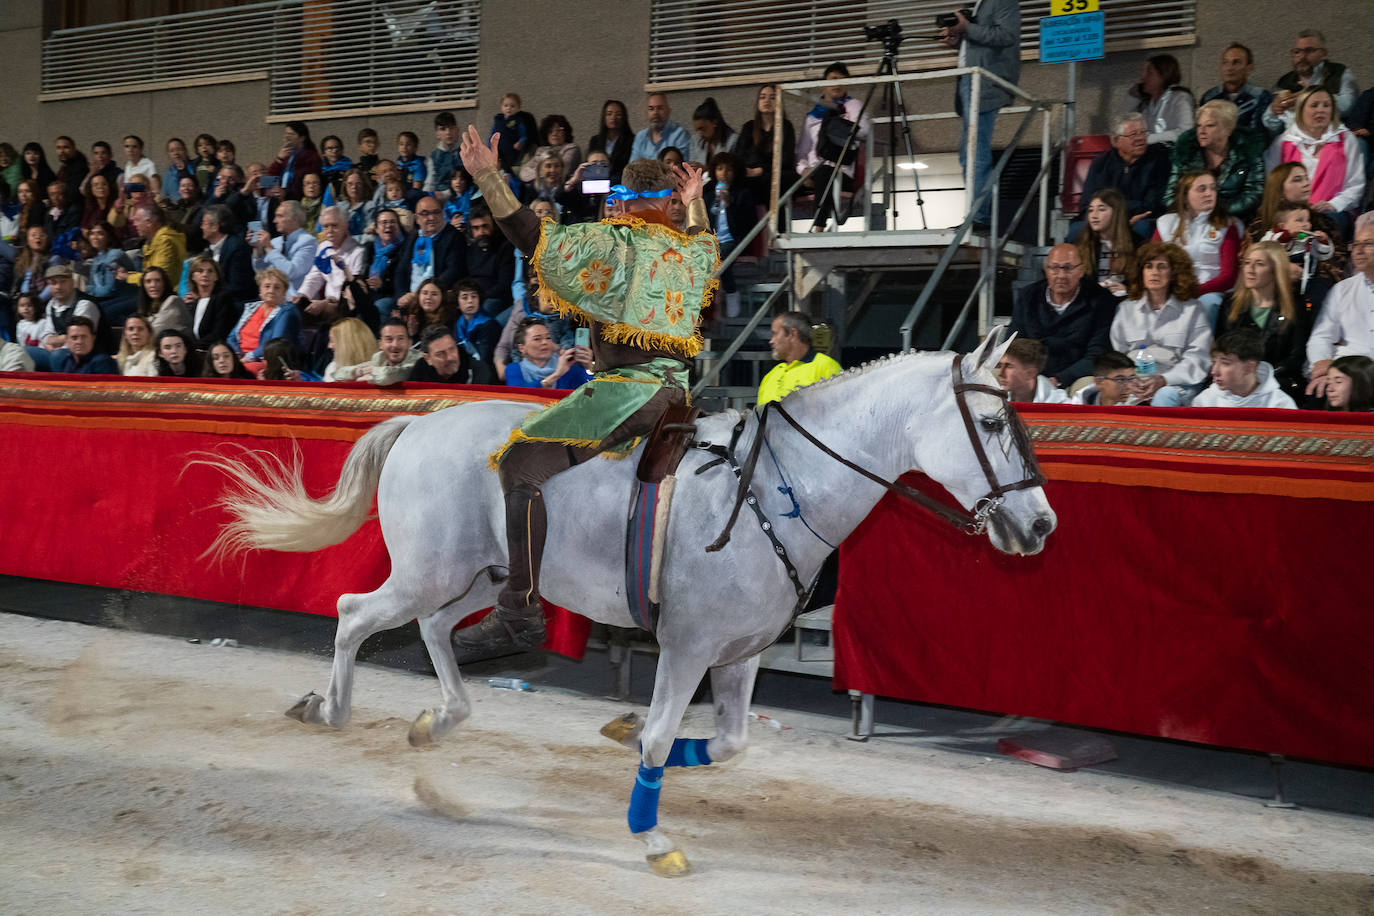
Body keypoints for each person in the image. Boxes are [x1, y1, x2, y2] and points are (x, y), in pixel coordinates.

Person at [451, 123, 717, 653]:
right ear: (667, 202)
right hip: (679, 392)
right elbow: (706, 247)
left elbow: (530, 233)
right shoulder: (688, 249)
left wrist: (487, 174)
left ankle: (518, 609)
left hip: (633, 392)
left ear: (621, 201)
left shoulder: (611, 242)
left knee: (519, 464)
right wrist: (694, 202)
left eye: (616, 201)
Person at [939, 0, 1021, 228]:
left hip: (984, 81)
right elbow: (981, 45)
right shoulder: (979, 4)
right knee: (969, 152)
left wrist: (967, 28)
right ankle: (977, 215)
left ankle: (979, 216)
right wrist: (958, 41)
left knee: (975, 151)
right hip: (971, 79)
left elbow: (1006, 36)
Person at [1110, 241, 1213, 406]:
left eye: (1162, 267)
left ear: (1173, 273)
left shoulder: (1193, 310)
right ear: (1141, 272)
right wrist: (1130, 381)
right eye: (1148, 266)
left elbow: (1198, 359)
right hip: (1135, 383)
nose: (1154, 272)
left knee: (1164, 396)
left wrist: (1164, 380)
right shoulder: (1125, 309)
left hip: (1177, 384)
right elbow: (1118, 356)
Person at [1009, 242, 1117, 386]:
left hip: (1075, 378)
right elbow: (1014, 344)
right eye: (1054, 268)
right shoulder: (1028, 296)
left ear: (1081, 270)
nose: (1061, 275)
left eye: (1068, 268)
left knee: (1087, 384)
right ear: (1046, 269)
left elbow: (1097, 355)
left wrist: (1059, 379)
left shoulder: (1101, 300)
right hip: (1031, 376)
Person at [1215, 241, 1310, 401]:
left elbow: (1296, 357)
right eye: (1247, 263)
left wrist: (1259, 377)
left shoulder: (1295, 305)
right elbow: (1220, 348)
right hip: (1234, 380)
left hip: (1278, 382)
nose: (1250, 270)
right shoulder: (1230, 303)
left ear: (1275, 271)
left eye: (1259, 264)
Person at [1264, 87, 1366, 236]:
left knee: (1324, 224)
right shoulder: (1284, 142)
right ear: (1301, 109)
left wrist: (1333, 204)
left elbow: (1356, 185)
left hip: (1333, 211)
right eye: (1314, 105)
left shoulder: (1346, 140)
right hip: (1290, 212)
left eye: (1326, 105)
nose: (1321, 110)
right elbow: (1273, 183)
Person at [1155, 171, 1243, 324]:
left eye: (1213, 188)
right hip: (1171, 287)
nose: (1209, 193)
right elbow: (1150, 261)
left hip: (1209, 291)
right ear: (1185, 195)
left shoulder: (1227, 225)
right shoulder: (1165, 223)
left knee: (1207, 304)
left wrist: (1195, 291)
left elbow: (1228, 277)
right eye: (1201, 189)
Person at [796, 62, 871, 232]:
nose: (837, 83)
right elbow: (802, 151)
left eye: (842, 80)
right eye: (833, 79)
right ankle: (778, 232)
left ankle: (818, 227)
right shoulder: (812, 117)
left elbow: (864, 131)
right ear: (824, 84)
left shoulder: (852, 106)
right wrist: (803, 171)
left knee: (825, 173)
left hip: (841, 172)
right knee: (783, 180)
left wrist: (839, 125)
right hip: (813, 173)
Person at [1306, 217, 1374, 398]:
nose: (1358, 251)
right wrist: (1322, 362)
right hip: (1348, 375)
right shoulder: (1342, 290)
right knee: (1319, 390)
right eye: (1355, 244)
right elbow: (1321, 337)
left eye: (1367, 243)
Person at [1164, 100, 1265, 220]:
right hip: (1191, 218)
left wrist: (1217, 212)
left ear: (1228, 130)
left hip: (1234, 219)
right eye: (1199, 126)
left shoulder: (1248, 152)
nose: (1201, 131)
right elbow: (1170, 196)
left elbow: (1254, 194)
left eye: (1209, 125)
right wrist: (1194, 211)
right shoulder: (1185, 152)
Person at [1077, 114, 1171, 238]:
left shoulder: (1158, 160)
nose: (1140, 138)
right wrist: (1116, 218)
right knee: (1076, 230)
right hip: (1106, 220)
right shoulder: (1101, 164)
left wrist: (1113, 210)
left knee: (1142, 227)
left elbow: (1152, 205)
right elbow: (1087, 202)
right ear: (1116, 140)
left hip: (1141, 219)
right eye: (1133, 134)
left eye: (1143, 133)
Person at [1264, 29, 1360, 130]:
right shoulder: (1285, 82)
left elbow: (1348, 107)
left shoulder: (1339, 72)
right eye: (1297, 52)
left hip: (1334, 135)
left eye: (1309, 51)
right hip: (1296, 139)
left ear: (1324, 53)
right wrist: (1273, 110)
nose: (1302, 56)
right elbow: (1271, 126)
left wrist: (1307, 98)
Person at [394, 196, 465, 315]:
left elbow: (453, 271)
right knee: (384, 306)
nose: (431, 217)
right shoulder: (413, 238)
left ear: (442, 213)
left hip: (437, 297)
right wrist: (401, 296)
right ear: (416, 218)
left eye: (436, 212)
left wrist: (422, 294)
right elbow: (401, 271)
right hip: (411, 297)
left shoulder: (454, 236)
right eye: (425, 213)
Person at [1193, 329, 1297, 408]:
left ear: (1249, 367)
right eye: (1214, 362)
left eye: (1225, 363)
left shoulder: (1280, 405)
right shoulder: (1204, 402)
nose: (1214, 371)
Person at [228, 267, 302, 375]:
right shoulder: (251, 308)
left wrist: (247, 358)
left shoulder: (287, 311)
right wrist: (236, 354)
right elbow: (232, 337)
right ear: (260, 290)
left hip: (267, 361)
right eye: (267, 286)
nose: (271, 290)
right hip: (242, 358)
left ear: (284, 292)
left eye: (277, 287)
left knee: (240, 371)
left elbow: (275, 345)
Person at [758, 311, 842, 405]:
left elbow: (837, 410)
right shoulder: (771, 375)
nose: (771, 341)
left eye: (775, 334)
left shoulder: (825, 366)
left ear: (792, 334)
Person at [735, 84, 797, 205]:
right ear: (758, 102)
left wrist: (761, 170)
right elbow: (739, 155)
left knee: (771, 183)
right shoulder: (749, 127)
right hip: (751, 174)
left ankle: (775, 223)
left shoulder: (786, 127)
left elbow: (786, 159)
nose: (767, 101)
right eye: (762, 97)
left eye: (772, 97)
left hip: (778, 175)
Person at [1199, 43, 1274, 137]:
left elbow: (1261, 135)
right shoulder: (1210, 97)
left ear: (1249, 67)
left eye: (1236, 62)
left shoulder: (1261, 97)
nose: (1229, 68)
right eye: (1225, 62)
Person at [250, 200, 318, 298]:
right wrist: (258, 248)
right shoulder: (275, 242)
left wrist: (269, 248)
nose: (274, 221)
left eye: (280, 216)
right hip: (273, 299)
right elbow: (261, 271)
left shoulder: (309, 242)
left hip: (296, 302)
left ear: (294, 219)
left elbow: (291, 272)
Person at [1075, 188, 1136, 297]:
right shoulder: (1083, 244)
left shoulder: (1136, 244)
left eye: (1101, 209)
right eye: (1091, 210)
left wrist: (1127, 290)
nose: (1094, 215)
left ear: (1116, 213)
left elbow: (1142, 284)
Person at [503, 317, 593, 389]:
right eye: (537, 339)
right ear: (522, 348)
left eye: (548, 338)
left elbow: (590, 394)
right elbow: (517, 395)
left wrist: (589, 368)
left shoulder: (570, 369)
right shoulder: (514, 369)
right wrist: (557, 375)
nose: (545, 342)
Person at [1127, 54, 1195, 146]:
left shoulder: (1180, 98)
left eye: (1149, 73)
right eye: (1143, 73)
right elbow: (1129, 122)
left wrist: (1149, 139)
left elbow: (1186, 132)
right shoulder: (1149, 103)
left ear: (1163, 75)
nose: (1143, 78)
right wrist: (1133, 97)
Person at [122, 202, 187, 292]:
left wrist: (128, 277)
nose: (134, 224)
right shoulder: (149, 243)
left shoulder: (165, 242)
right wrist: (127, 275)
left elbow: (158, 277)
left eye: (137, 220)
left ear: (149, 222)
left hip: (167, 293)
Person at [331, 318, 419, 384]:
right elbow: (338, 374)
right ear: (380, 344)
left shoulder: (419, 360)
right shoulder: (379, 357)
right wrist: (358, 371)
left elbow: (391, 377)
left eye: (400, 339)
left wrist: (371, 372)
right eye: (389, 339)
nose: (395, 345)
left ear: (409, 343)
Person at [200, 204, 256, 304]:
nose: (201, 227)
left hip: (233, 306)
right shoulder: (208, 251)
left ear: (215, 227)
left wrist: (210, 294)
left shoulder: (237, 248)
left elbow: (238, 286)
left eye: (204, 223)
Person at [38, 264, 100, 352]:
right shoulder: (51, 304)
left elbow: (78, 339)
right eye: (53, 283)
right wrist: (62, 338)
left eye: (63, 282)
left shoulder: (84, 304)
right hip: (60, 352)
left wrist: (55, 344)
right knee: (28, 351)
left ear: (72, 283)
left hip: (90, 355)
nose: (58, 287)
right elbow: (46, 337)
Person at [184, 255, 241, 348]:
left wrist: (191, 347)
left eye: (210, 271)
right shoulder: (193, 303)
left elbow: (218, 334)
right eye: (200, 271)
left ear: (216, 277)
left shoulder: (223, 298)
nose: (205, 274)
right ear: (193, 276)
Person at [452, 278, 499, 384]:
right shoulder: (458, 324)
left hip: (486, 373)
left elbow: (485, 358)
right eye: (465, 297)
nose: (470, 301)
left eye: (474, 296)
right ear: (457, 304)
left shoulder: (489, 324)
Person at [996, 338, 1070, 403]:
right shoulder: (994, 399)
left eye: (1009, 366)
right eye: (1000, 366)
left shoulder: (1061, 405)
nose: (1000, 373)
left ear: (1030, 373)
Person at [264, 122, 322, 201]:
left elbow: (309, 184)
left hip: (298, 202)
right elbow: (267, 182)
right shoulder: (285, 156)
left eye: (291, 134)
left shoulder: (312, 157)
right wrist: (278, 160)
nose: (286, 137)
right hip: (279, 201)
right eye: (286, 134)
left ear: (302, 138)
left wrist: (286, 193)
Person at [631, 92, 693, 162]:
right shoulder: (640, 137)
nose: (655, 113)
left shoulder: (680, 135)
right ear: (646, 113)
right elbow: (633, 167)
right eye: (651, 109)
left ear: (668, 111)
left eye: (660, 108)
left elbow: (682, 166)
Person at [519, 115, 582, 184]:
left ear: (565, 132)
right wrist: (545, 173)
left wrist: (541, 170)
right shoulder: (541, 150)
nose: (554, 134)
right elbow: (523, 173)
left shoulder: (572, 149)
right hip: (540, 187)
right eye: (550, 131)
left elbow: (562, 172)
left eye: (558, 130)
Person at [47, 316, 117, 374]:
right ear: (67, 340)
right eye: (74, 338)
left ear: (93, 338)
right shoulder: (65, 359)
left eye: (84, 337)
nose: (79, 342)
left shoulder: (102, 362)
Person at [408, 325, 474, 384]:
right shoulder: (419, 371)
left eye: (452, 349)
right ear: (428, 358)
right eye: (440, 354)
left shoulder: (475, 369)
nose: (449, 358)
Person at [136, 265, 191, 337]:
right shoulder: (145, 308)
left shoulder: (174, 301)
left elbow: (154, 331)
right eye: (148, 281)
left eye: (158, 280)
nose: (153, 285)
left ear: (164, 283)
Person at [588, 99, 632, 184]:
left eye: (618, 114)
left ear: (624, 117)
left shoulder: (631, 140)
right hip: (596, 181)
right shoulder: (595, 140)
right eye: (609, 114)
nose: (613, 117)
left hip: (621, 182)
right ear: (604, 117)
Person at [1072, 351, 1140, 406]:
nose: (1128, 386)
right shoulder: (1083, 400)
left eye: (1131, 378)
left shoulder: (1138, 402)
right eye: (1120, 380)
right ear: (1099, 382)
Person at [321, 318, 379, 382]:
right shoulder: (332, 368)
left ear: (348, 343)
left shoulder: (380, 369)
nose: (329, 346)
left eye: (332, 340)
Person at [689, 98, 737, 167]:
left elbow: (732, 171)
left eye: (702, 129)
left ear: (714, 123)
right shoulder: (695, 140)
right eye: (697, 130)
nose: (700, 134)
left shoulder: (732, 141)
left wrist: (706, 170)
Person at [424, 112, 462, 194]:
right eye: (443, 129)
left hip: (462, 195)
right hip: (441, 195)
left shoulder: (464, 152)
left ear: (457, 130)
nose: (448, 132)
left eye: (451, 128)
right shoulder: (434, 157)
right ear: (437, 134)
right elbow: (430, 183)